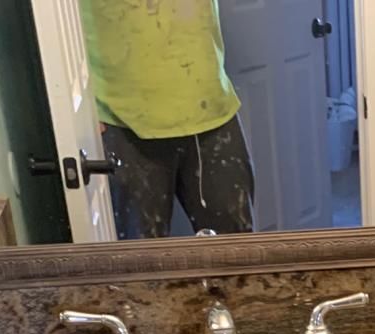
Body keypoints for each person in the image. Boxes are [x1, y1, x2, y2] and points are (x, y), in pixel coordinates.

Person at [79, 0, 257, 238]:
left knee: (237, 250)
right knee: (141, 257)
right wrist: (78, 109)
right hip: (122, 119)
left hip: (210, 105)